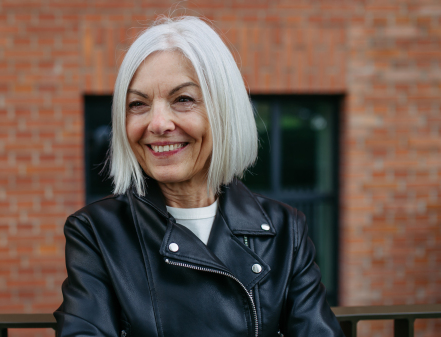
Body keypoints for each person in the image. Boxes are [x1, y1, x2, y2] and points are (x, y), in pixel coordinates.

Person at [54, 16, 344, 337]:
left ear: (223, 112)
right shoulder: (96, 232)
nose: (158, 123)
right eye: (138, 103)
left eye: (183, 99)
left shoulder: (286, 230)